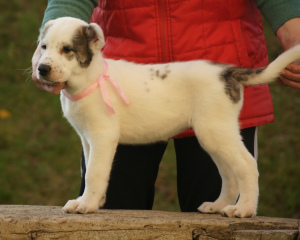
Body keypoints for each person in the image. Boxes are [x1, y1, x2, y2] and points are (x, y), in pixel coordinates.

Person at [32, 0, 300, 212]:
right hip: (136, 63)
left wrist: (295, 31)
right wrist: (49, 41)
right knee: (116, 214)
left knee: (219, 145)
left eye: (65, 50)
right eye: (43, 47)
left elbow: (102, 136)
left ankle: (245, 200)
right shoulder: (81, 92)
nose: (47, 57)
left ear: (93, 42)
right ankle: (227, 197)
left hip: (210, 70)